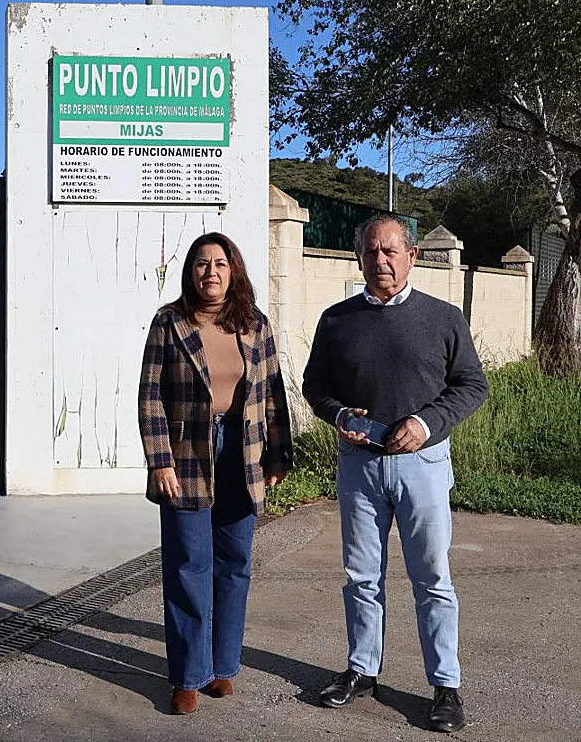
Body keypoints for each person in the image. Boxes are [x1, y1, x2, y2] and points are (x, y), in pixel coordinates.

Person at [302, 214, 488, 733]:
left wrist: (427, 424)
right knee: (361, 577)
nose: (380, 261)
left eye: (389, 251)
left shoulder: (444, 317)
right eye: (370, 252)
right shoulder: (336, 320)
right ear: (359, 257)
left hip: (423, 468)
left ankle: (445, 686)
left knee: (432, 579)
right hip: (360, 468)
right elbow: (314, 385)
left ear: (411, 255)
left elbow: (472, 385)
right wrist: (340, 416)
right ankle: (362, 671)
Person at [138, 231, 293, 715]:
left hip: (241, 456)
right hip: (186, 456)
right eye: (202, 264)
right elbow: (150, 397)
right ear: (191, 272)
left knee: (235, 564)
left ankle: (222, 669)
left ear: (234, 270)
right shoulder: (169, 323)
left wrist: (278, 456)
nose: (211, 272)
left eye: (220, 264)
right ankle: (188, 675)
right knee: (188, 566)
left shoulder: (254, 324)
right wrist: (160, 460)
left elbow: (272, 393)